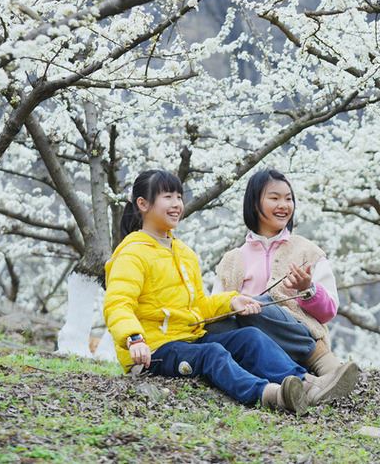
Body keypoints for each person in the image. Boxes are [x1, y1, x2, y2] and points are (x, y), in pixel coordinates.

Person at [104, 169, 350, 413]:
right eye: (167, 197)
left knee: (250, 338)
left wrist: (233, 301)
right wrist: (134, 338)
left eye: (179, 197)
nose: (176, 204)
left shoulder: (184, 254)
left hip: (189, 338)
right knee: (213, 353)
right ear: (143, 204)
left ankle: (309, 385)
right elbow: (118, 302)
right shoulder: (132, 253)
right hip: (153, 350)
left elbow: (198, 305)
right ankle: (271, 395)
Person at [211, 169, 358, 396]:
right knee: (223, 319)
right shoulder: (232, 260)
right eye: (274, 198)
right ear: (254, 203)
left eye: (288, 198)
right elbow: (215, 310)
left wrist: (307, 290)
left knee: (261, 305)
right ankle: (306, 382)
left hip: (296, 342)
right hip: (254, 347)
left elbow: (329, 311)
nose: (284, 205)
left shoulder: (307, 252)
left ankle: (323, 363)